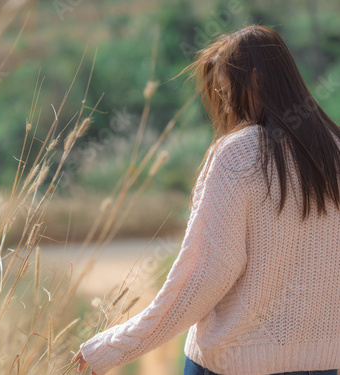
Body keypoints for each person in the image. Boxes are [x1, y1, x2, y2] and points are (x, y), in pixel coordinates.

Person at [71, 25, 340, 375]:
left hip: (230, 365)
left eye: (228, 91)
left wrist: (115, 345)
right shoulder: (334, 150)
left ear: (256, 79)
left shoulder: (238, 154)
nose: (226, 103)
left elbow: (203, 278)